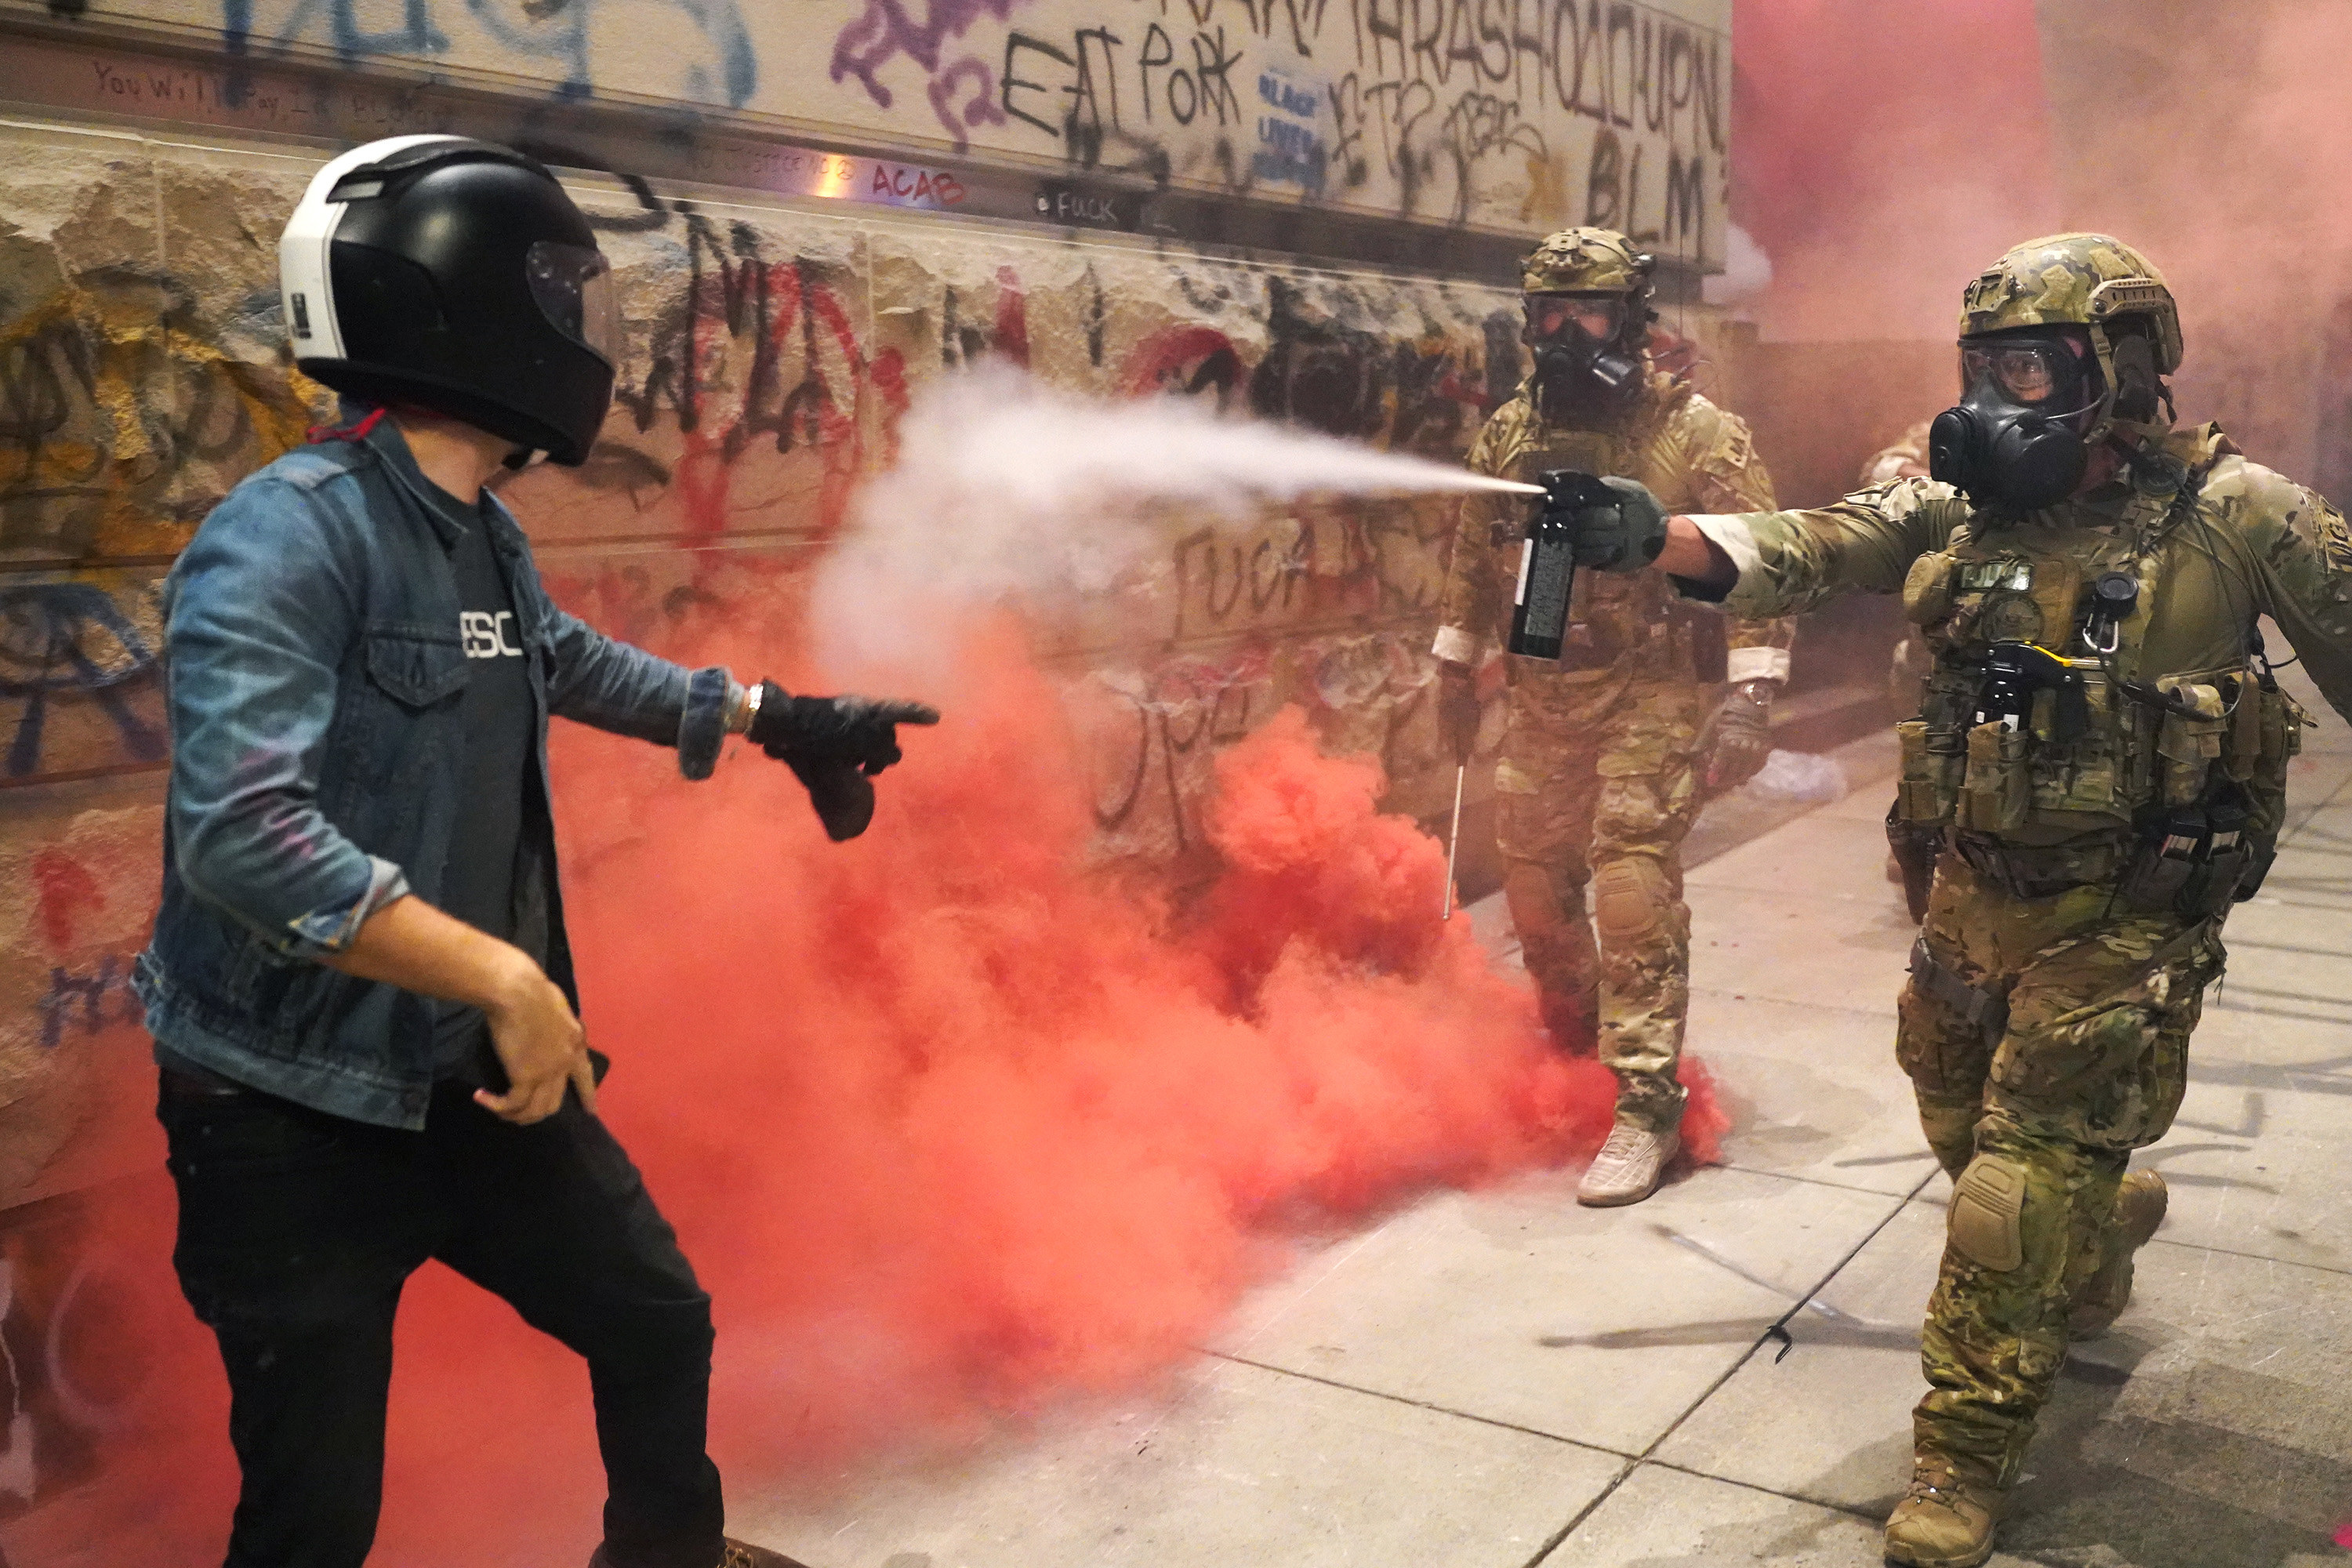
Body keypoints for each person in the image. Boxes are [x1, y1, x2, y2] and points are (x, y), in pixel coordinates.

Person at [133, 134, 936, 1568]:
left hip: (462, 1082)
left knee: (652, 1318)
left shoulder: (479, 534)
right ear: (461, 307)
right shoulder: (285, 537)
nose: (585, 332)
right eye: (560, 294)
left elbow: (562, 661)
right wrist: (500, 974)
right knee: (315, 1513)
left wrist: (774, 716)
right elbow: (238, 837)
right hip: (285, 1110)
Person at [1551, 232, 2352, 1567]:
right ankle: (2094, 1229)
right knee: (1956, 1121)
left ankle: (1963, 1457)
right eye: (1981, 368)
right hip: (1976, 890)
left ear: (2124, 368)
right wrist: (1658, 537)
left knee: (2014, 1190)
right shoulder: (1964, 511)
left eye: (2030, 368)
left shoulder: (2242, 516)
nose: (1996, 400)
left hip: (2131, 909)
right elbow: (1807, 545)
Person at [1431, 227, 1796, 1207]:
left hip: (1656, 686)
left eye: (1586, 311)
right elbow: (1472, 559)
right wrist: (1453, 668)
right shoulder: (1509, 431)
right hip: (1547, 690)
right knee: (1538, 891)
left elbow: (1764, 557)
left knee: (1632, 880)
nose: (1563, 332)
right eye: (1548, 313)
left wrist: (1755, 692)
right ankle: (1574, 1056)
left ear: (1628, 318)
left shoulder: (1696, 432)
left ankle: (1645, 1100)